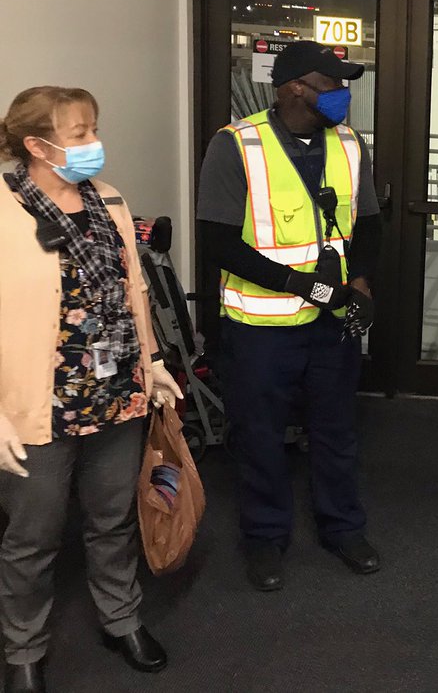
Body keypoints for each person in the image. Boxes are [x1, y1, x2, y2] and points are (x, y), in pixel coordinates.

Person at [0, 87, 184, 693]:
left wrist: (151, 360)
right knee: (33, 536)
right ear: (36, 145)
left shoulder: (107, 200)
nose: (93, 144)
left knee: (112, 520)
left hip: (115, 393)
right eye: (79, 134)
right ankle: (23, 650)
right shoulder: (4, 211)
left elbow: (131, 289)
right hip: (37, 404)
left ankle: (121, 619)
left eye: (93, 129)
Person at [196, 41, 382, 590]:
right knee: (260, 435)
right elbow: (218, 243)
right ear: (294, 87)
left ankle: (342, 528)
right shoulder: (236, 146)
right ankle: (265, 538)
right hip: (259, 328)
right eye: (333, 83)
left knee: (335, 430)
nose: (343, 95)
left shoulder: (350, 144)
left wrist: (360, 283)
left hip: (332, 325)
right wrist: (302, 285)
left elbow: (368, 221)